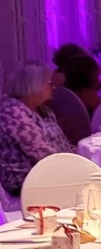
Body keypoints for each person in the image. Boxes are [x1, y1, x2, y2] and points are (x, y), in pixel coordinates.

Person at [0, 61, 74, 197]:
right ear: (33, 85)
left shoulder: (44, 110)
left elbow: (64, 144)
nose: (53, 87)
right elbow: (41, 152)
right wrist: (77, 168)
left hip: (52, 171)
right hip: (27, 179)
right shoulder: (12, 111)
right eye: (49, 83)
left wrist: (81, 159)